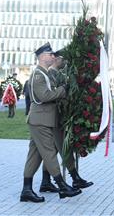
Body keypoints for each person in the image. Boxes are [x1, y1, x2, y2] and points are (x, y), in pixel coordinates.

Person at [20, 42, 80, 202]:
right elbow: (45, 96)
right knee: (49, 153)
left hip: (42, 119)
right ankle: (62, 186)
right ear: (41, 56)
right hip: (40, 120)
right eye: (49, 54)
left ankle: (26, 190)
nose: (53, 57)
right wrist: (62, 90)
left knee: (35, 156)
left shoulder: (44, 73)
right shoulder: (38, 75)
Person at [40, 50, 92, 193]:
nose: (66, 62)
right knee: (64, 147)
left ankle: (45, 181)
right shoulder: (51, 73)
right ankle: (75, 179)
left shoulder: (58, 73)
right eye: (64, 59)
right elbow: (53, 95)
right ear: (57, 59)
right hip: (55, 117)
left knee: (53, 149)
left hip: (58, 117)